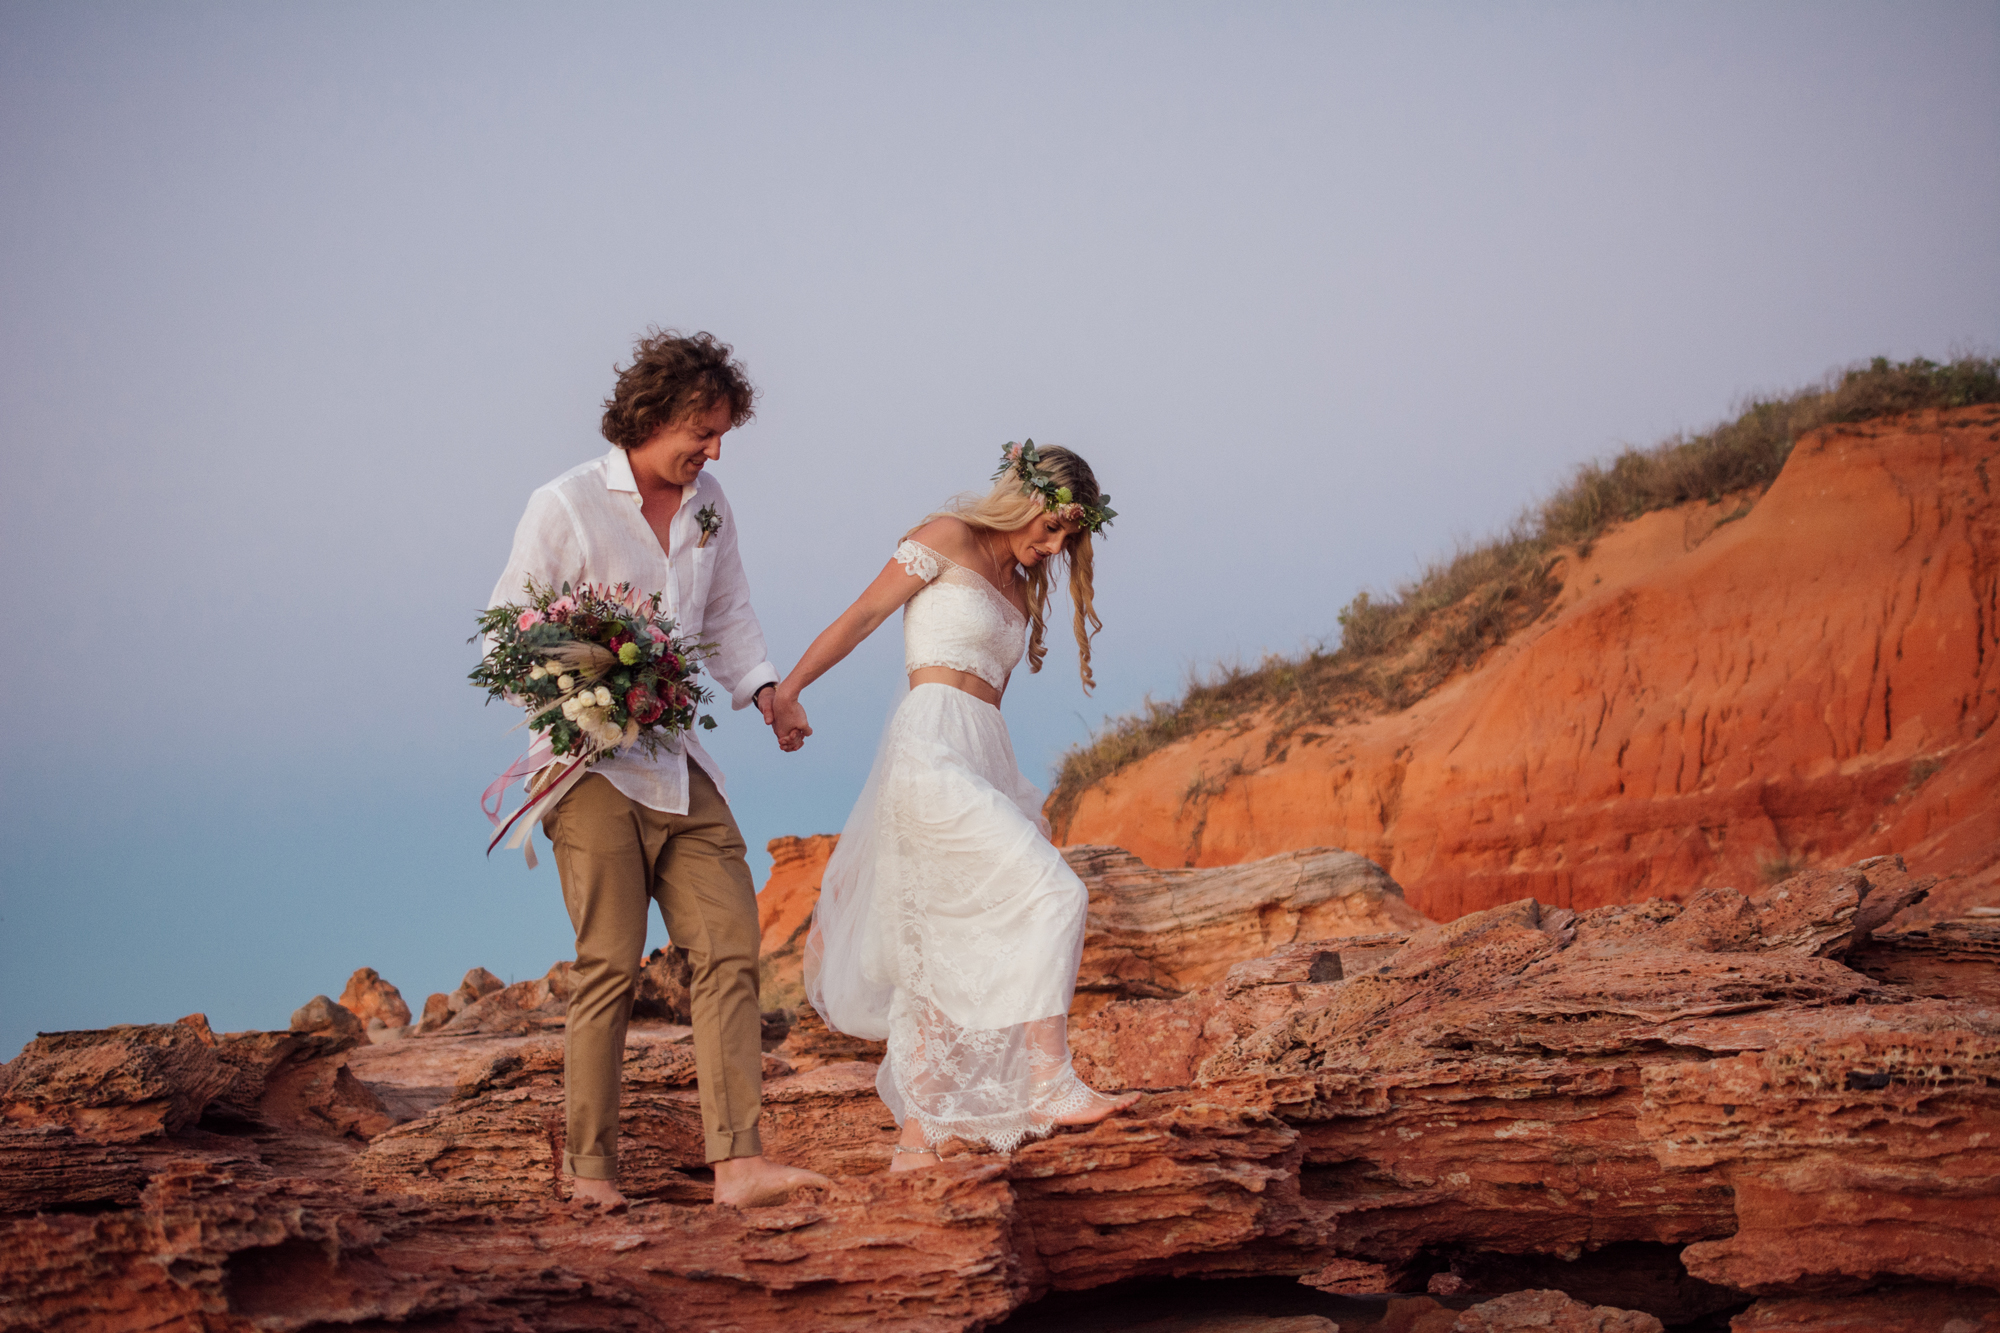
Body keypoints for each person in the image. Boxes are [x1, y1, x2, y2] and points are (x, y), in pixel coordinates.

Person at [487, 329, 829, 1210]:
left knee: (730, 944)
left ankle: (739, 1165)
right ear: (653, 414)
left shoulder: (710, 505)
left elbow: (729, 614)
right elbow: (504, 635)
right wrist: (599, 674)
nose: (713, 452)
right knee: (609, 962)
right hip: (588, 769)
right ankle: (591, 1172)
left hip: (678, 762)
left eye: (721, 436)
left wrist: (768, 692)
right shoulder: (565, 504)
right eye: (702, 432)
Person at [774, 441, 1140, 1169]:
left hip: (984, 753)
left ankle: (923, 1134)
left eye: (1068, 538)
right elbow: (863, 615)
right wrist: (789, 690)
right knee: (1055, 893)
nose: (1055, 546)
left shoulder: (1020, 588)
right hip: (929, 747)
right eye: (1052, 526)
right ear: (1023, 497)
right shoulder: (946, 537)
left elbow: (989, 700)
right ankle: (1050, 1082)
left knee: (943, 942)